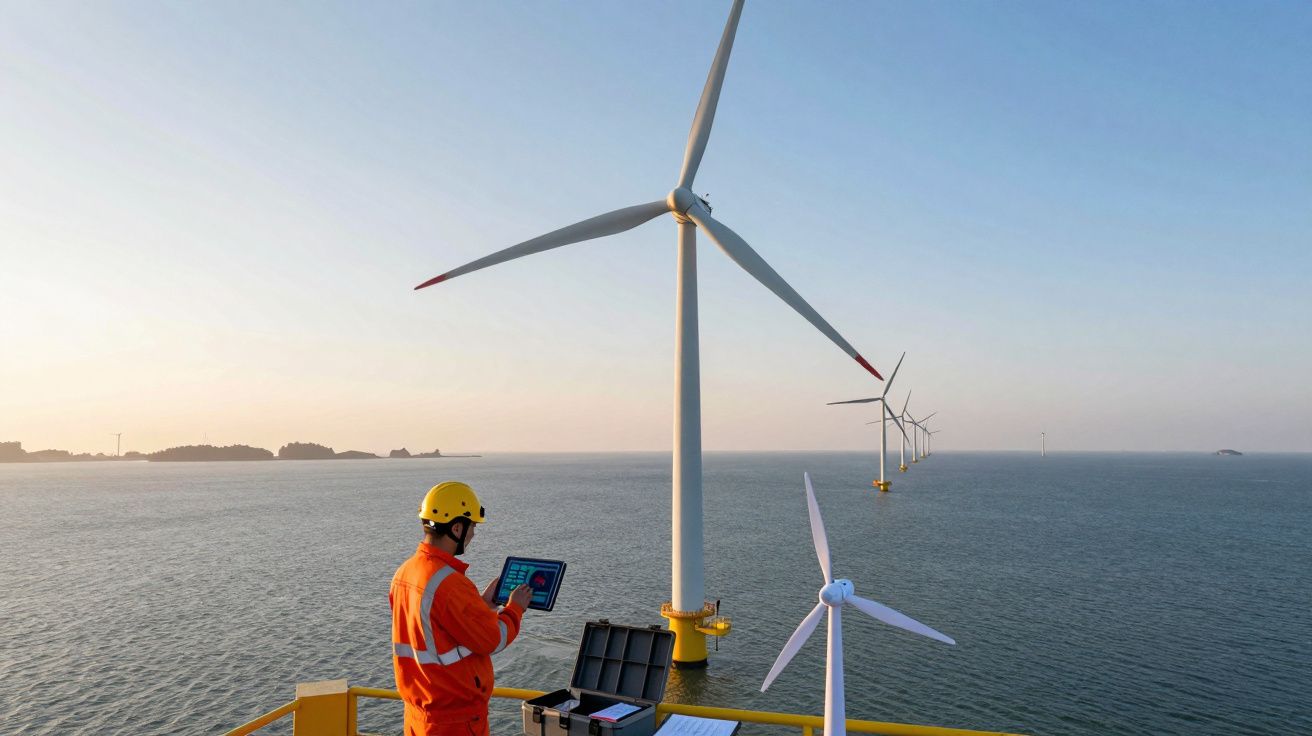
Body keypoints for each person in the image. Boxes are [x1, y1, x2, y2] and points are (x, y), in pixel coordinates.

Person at [390, 481, 531, 736]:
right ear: (456, 527)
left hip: (419, 715)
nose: (473, 534)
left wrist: (483, 605)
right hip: (455, 721)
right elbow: (493, 639)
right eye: (472, 526)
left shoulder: (405, 573)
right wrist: (515, 609)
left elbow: (434, 627)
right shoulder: (450, 584)